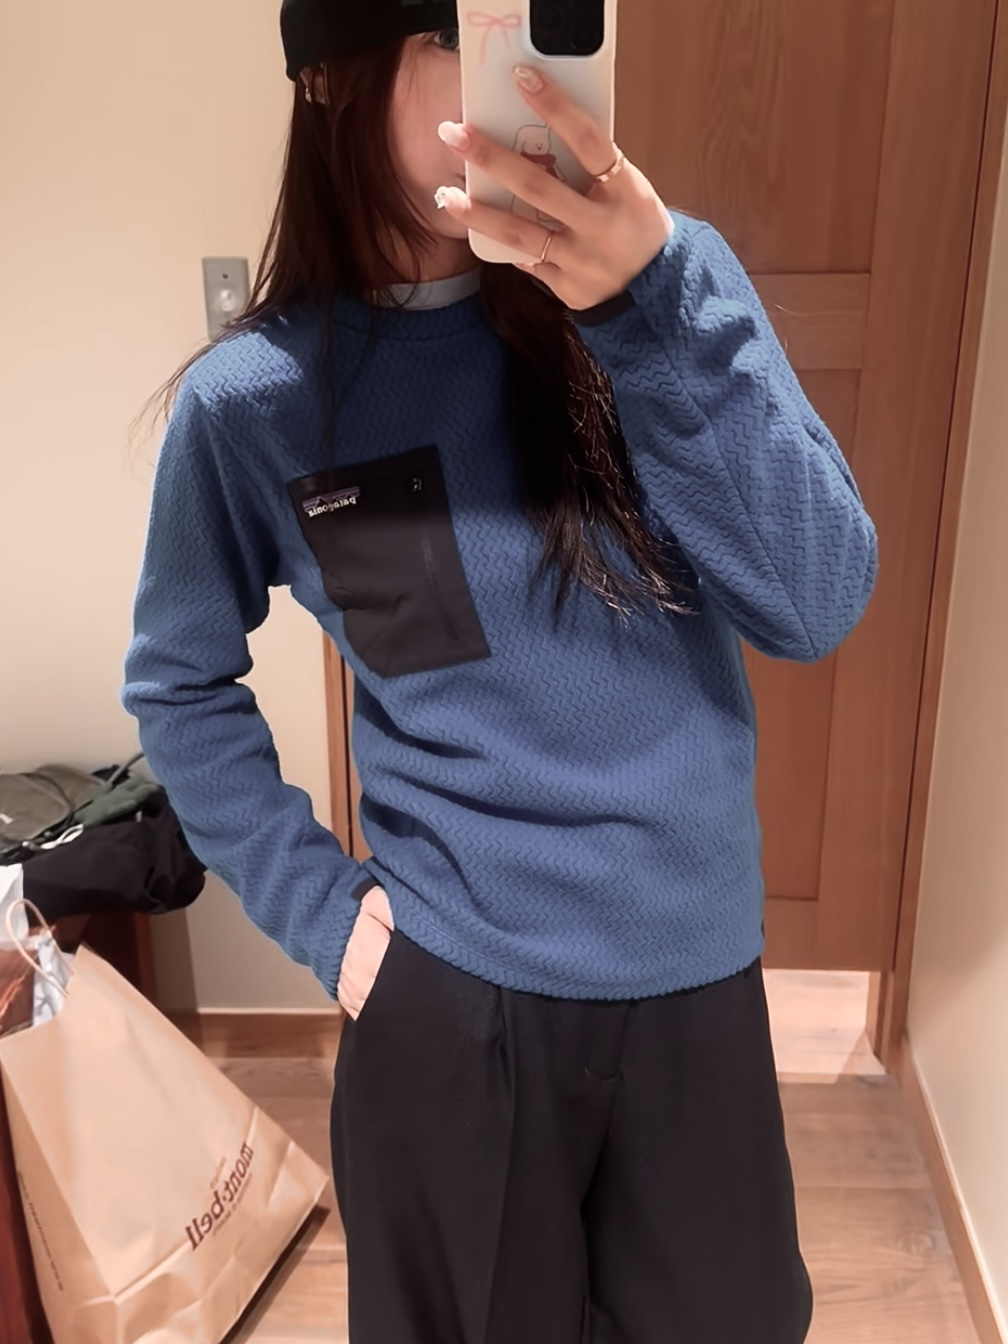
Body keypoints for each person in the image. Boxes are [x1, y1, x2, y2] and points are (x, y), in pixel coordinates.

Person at [121, 2, 878, 1340]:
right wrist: (324, 918)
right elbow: (180, 685)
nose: (515, 63)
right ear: (331, 73)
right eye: (458, 28)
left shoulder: (669, 288)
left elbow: (817, 603)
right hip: (452, 1001)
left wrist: (650, 301)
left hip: (695, 974)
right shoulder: (256, 400)